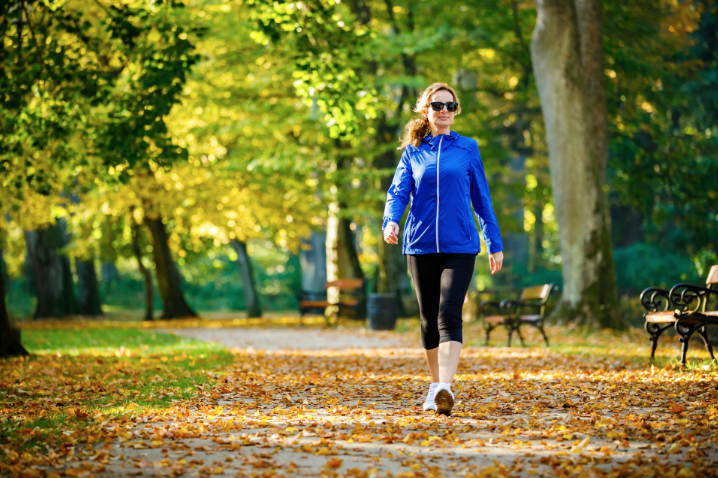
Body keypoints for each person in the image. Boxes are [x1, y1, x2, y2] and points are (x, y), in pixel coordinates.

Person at [382, 82, 504, 416]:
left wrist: (493, 242)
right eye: (438, 106)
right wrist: (391, 221)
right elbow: (398, 192)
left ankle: (446, 387)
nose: (445, 112)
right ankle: (435, 385)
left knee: (449, 312)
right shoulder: (413, 151)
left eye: (451, 106)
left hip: (461, 245)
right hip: (419, 245)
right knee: (428, 320)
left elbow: (481, 198)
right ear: (426, 111)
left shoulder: (467, 148)